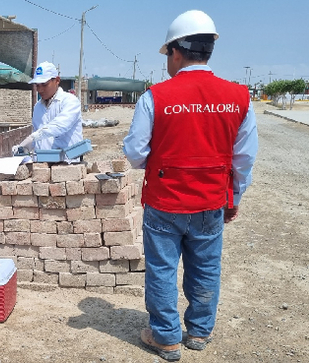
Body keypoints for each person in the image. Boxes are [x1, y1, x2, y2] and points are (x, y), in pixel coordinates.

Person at [123, 10, 258, 361]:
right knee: (206, 267)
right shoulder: (239, 98)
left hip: (164, 202)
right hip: (211, 202)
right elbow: (244, 159)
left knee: (162, 269)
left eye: (167, 54)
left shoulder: (156, 97)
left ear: (176, 52)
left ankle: (166, 337)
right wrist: (236, 196)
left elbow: (136, 154)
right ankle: (198, 332)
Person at [12, 61, 83, 160]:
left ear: (57, 80)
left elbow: (59, 126)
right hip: (43, 165)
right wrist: (24, 147)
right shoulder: (38, 107)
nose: (40, 90)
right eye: (37, 85)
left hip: (67, 164)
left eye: (44, 85)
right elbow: (38, 136)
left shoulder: (70, 101)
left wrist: (33, 137)